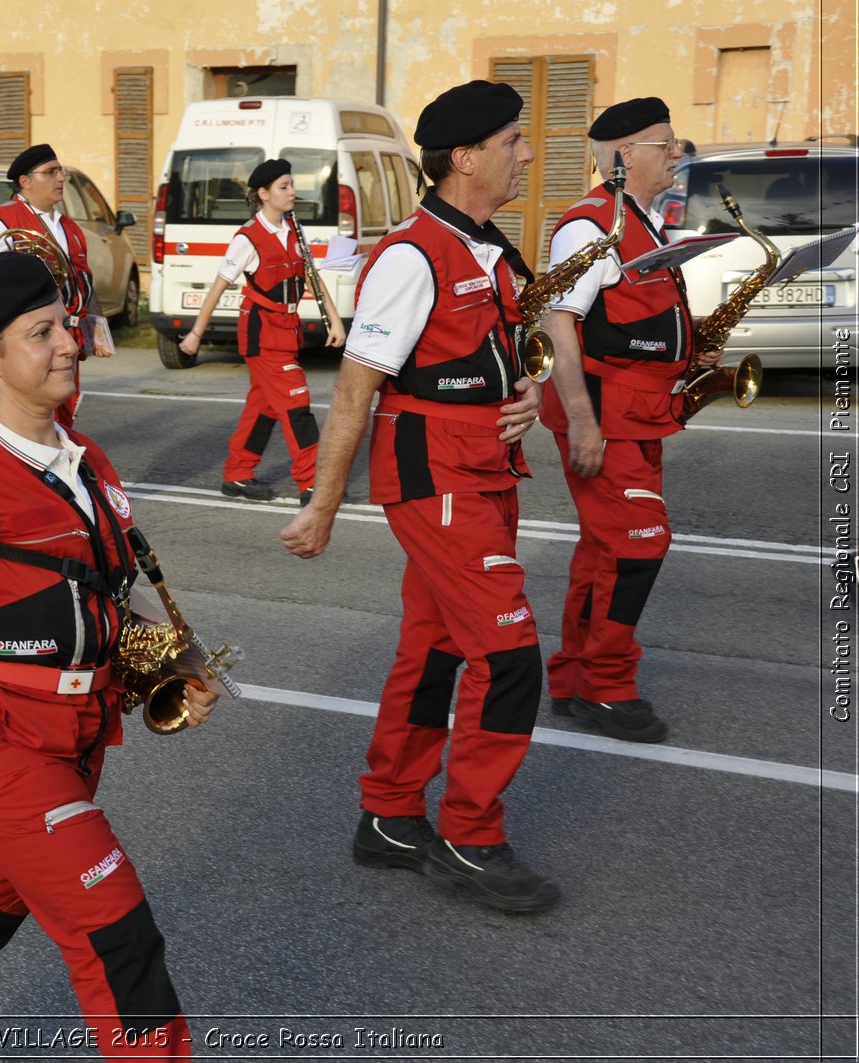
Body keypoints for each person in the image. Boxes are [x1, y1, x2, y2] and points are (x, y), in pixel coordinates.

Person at [0, 251, 217, 1058]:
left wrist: (172, 664)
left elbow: (97, 597)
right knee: (118, 929)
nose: (69, 343)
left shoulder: (85, 460)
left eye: (65, 324)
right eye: (42, 332)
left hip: (75, 732)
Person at [280, 80, 558, 913]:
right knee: (508, 656)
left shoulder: (490, 246)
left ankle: (391, 815)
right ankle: (472, 836)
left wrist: (529, 396)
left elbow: (501, 353)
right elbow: (355, 391)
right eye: (514, 140)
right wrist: (323, 504)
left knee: (435, 648)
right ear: (465, 158)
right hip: (435, 477)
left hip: (483, 470)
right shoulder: (411, 254)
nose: (528, 153)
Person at [538, 97, 718, 744]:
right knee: (639, 543)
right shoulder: (589, 225)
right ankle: (606, 687)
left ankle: (571, 677)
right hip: (605, 412)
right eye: (663, 145)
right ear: (623, 157)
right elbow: (559, 321)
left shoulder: (640, 219)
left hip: (641, 412)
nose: (676, 154)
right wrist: (583, 420)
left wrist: (693, 346)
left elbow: (631, 315)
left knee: (604, 547)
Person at [177, 158, 346, 504]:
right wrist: (196, 333)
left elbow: (312, 275)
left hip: (287, 329)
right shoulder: (247, 238)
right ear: (263, 194)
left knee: (264, 407)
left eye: (292, 185)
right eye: (284, 187)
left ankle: (237, 476)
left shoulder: (294, 229)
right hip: (261, 332)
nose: (293, 192)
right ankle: (312, 483)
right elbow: (218, 287)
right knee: (297, 404)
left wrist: (335, 318)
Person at [0, 144, 98, 428]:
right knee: (34, 414)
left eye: (61, 171)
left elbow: (83, 280)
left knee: (66, 409)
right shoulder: (1, 221)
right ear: (25, 182)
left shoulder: (69, 226)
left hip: (66, 333)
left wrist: (97, 328)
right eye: (51, 172)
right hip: (31, 339)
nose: (60, 178)